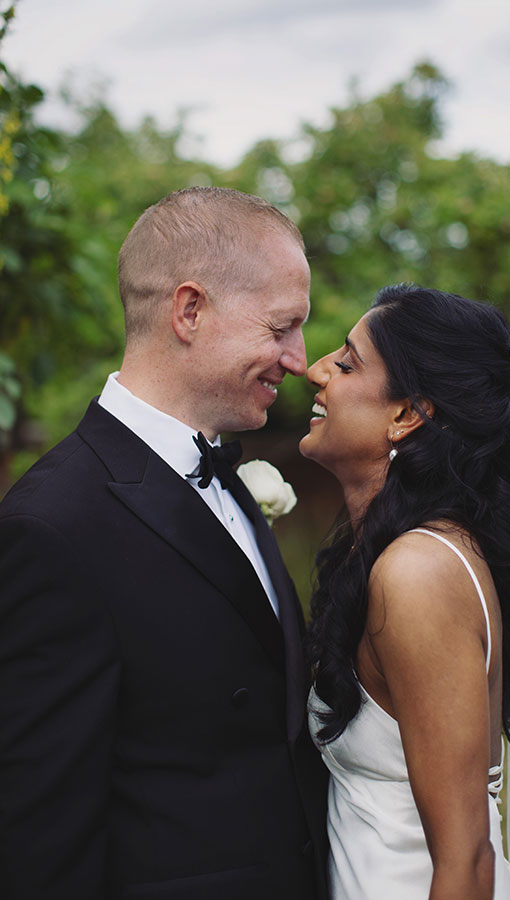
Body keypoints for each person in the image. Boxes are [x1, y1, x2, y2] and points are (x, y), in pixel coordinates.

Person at [0, 186, 329, 900]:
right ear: (189, 310)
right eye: (281, 327)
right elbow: (39, 834)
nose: (299, 359)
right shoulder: (53, 525)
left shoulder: (232, 479)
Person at [299, 283, 510, 900]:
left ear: (408, 414)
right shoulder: (389, 553)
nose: (315, 370)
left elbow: (466, 860)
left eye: (347, 362)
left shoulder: (417, 572)